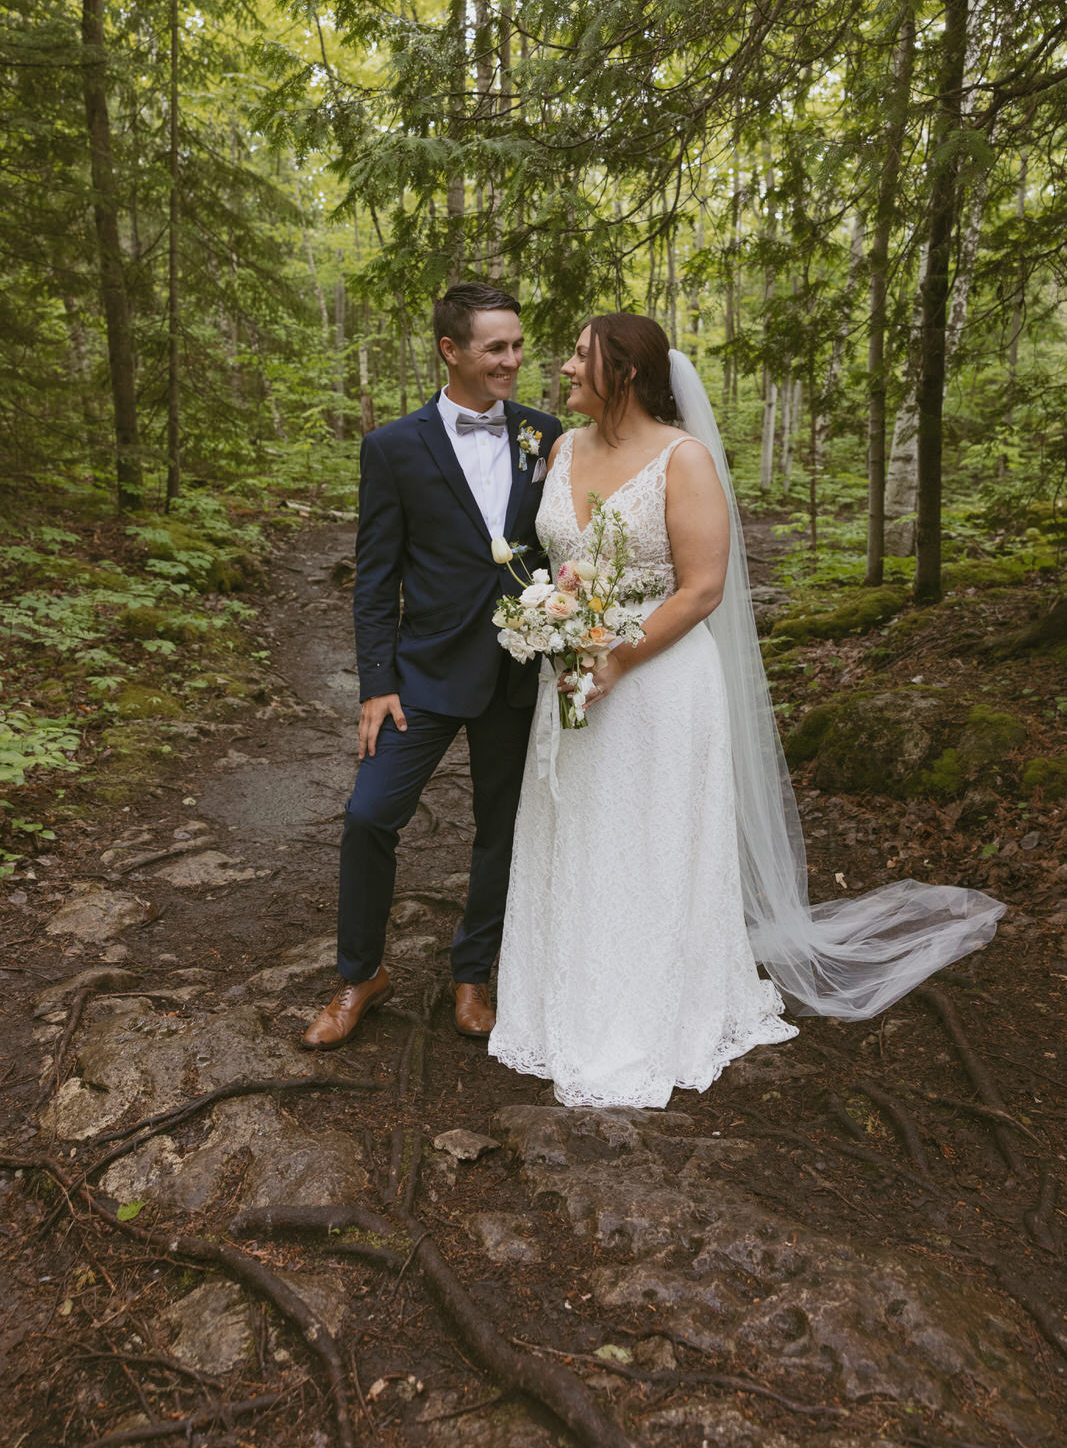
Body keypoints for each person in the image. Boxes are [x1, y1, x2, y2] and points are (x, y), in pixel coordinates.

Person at [489, 314, 1003, 1108]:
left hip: (656, 679)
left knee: (653, 835)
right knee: (579, 829)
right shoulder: (561, 449)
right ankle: (563, 998)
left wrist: (618, 657)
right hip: (572, 677)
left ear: (620, 371)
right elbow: (559, 565)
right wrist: (554, 628)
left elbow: (701, 588)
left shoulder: (681, 459)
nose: (560, 368)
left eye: (579, 356)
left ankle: (656, 1010)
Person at [301, 283, 562, 1051]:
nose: (512, 360)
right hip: (422, 672)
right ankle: (360, 975)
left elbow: (562, 545)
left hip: (519, 669)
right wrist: (376, 683)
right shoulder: (391, 447)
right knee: (368, 815)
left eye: (517, 345)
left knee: (501, 828)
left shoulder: (545, 436)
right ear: (451, 350)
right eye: (495, 348)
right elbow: (376, 577)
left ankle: (473, 973)